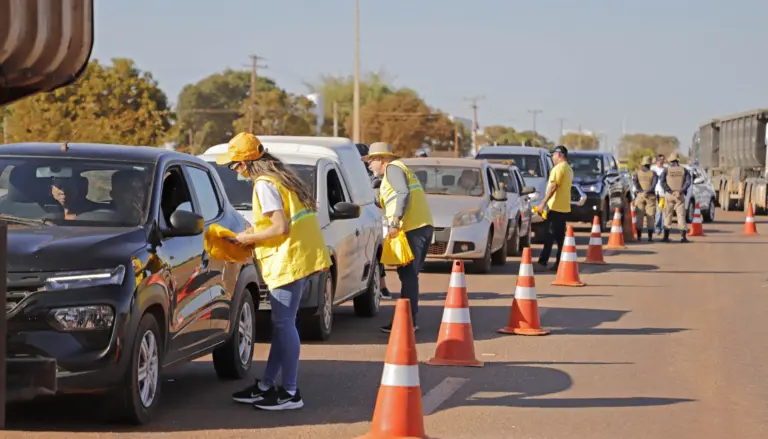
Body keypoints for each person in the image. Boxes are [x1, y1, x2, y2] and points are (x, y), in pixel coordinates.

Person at [222, 132, 332, 410]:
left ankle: (291, 392)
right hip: (301, 257)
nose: (234, 170)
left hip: (289, 260)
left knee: (284, 325)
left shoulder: (263, 185)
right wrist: (255, 232)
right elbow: (278, 224)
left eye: (233, 165)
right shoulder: (280, 178)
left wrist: (245, 238)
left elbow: (280, 227)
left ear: (246, 164)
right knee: (283, 325)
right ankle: (266, 385)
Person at [363, 142, 434, 333]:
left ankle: (407, 322)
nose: (369, 165)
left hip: (411, 228)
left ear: (382, 159)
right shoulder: (395, 172)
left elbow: (403, 193)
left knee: (408, 275)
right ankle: (407, 319)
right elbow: (389, 199)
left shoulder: (393, 168)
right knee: (408, 275)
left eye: (371, 161)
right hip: (420, 227)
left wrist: (395, 221)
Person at [535, 145, 573, 272]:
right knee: (556, 236)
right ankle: (555, 261)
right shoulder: (568, 169)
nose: (552, 157)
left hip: (555, 207)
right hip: (562, 207)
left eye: (554, 155)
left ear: (560, 155)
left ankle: (548, 261)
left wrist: (542, 203)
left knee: (551, 235)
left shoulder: (558, 168)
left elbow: (553, 186)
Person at [659, 152, 691, 243]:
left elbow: (662, 182)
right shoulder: (684, 170)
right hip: (679, 196)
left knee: (667, 215)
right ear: (678, 160)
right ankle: (683, 238)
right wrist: (680, 191)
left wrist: (670, 191)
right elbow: (688, 182)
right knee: (681, 216)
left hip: (669, 195)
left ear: (670, 161)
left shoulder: (666, 170)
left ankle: (666, 237)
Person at [370, 172, 392, 299]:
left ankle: (382, 286)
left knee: (379, 252)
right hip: (365, 218)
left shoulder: (382, 176)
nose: (369, 164)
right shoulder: (365, 175)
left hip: (378, 219)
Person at [632, 156, 658, 241]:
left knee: (639, 216)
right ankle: (650, 237)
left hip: (640, 196)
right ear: (650, 164)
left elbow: (635, 183)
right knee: (650, 216)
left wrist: (642, 191)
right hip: (650, 196)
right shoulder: (653, 174)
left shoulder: (637, 173)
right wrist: (648, 191)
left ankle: (639, 236)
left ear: (643, 164)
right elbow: (654, 185)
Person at [650, 154, 666, 235]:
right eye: (659, 160)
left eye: (662, 160)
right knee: (658, 211)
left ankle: (662, 228)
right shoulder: (653, 169)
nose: (660, 162)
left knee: (662, 211)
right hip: (655, 193)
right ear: (656, 161)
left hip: (663, 193)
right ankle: (657, 228)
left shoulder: (665, 170)